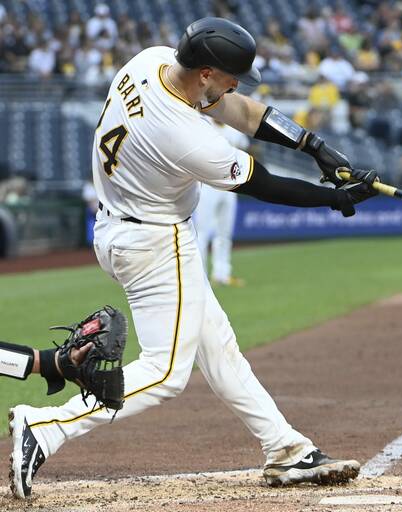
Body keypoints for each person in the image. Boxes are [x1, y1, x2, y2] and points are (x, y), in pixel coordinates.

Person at [8, 17, 377, 499]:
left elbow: (241, 111)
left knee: (217, 346)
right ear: (205, 72)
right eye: (228, 76)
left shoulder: (153, 60)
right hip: (155, 244)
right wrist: (334, 199)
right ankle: (47, 427)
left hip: (124, 228)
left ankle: (286, 450)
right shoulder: (184, 135)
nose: (233, 85)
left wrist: (313, 145)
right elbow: (261, 184)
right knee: (164, 373)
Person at [194, 120, 249, 286]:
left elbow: (244, 146)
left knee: (224, 233)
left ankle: (222, 274)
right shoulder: (203, 123)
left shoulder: (233, 128)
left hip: (230, 185)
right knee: (202, 234)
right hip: (207, 185)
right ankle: (199, 278)